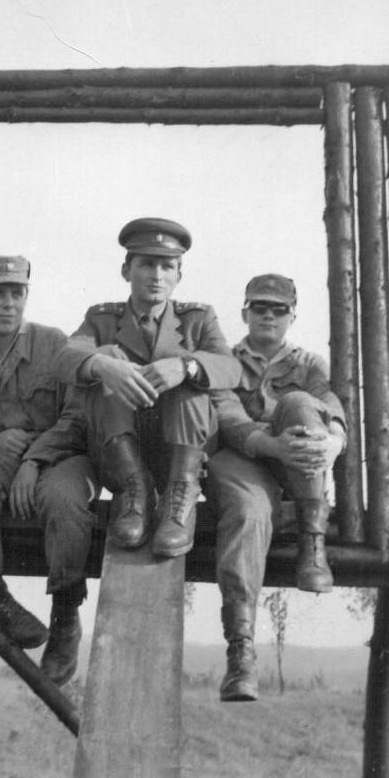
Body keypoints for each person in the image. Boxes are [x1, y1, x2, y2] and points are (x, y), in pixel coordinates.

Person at [0, 255, 98, 685]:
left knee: (65, 498)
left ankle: (65, 616)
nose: (9, 303)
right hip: (1, 460)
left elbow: (78, 417)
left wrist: (35, 458)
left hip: (61, 456)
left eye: (18, 293)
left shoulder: (53, 344)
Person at [55, 217, 241, 557]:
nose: (157, 275)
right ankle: (135, 489)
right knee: (107, 357)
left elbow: (230, 368)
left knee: (189, 368)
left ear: (178, 276)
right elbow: (66, 356)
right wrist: (104, 366)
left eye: (167, 266)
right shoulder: (101, 318)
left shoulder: (199, 318)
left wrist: (185, 366)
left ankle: (179, 499)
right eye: (146, 264)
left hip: (181, 455)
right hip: (121, 455)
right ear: (126, 270)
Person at [209, 273, 346, 702]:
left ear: (292, 316)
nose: (268, 315)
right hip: (243, 459)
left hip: (295, 469)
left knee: (301, 403)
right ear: (245, 312)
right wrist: (271, 444)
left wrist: (335, 440)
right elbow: (227, 416)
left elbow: (330, 403)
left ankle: (312, 540)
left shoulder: (308, 364)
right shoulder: (225, 360)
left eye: (278, 309)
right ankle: (241, 652)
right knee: (247, 515)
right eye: (259, 307)